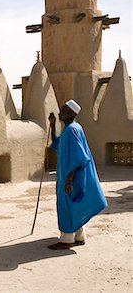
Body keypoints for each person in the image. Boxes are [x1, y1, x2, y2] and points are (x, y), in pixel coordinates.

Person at [48, 99, 107, 250]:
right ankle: (79, 236)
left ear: (69, 114)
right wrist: (53, 125)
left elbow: (79, 156)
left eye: (62, 111)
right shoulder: (70, 128)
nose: (60, 113)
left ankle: (67, 239)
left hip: (71, 177)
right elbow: (57, 145)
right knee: (74, 204)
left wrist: (69, 179)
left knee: (67, 204)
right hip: (68, 175)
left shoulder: (72, 130)